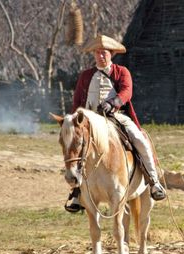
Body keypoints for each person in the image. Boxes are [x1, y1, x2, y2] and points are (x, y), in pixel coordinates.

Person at [65, 34, 166, 213]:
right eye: (97, 52)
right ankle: (77, 192)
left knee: (138, 138)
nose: (100, 56)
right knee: (74, 148)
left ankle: (153, 181)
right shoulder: (86, 75)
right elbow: (77, 100)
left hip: (115, 117)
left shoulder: (121, 72)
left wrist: (113, 103)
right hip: (89, 121)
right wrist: (74, 120)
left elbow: (127, 91)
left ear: (111, 54)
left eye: (104, 52)